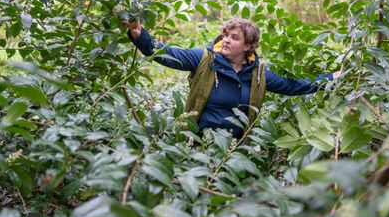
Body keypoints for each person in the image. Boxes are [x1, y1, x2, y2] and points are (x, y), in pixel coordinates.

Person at [124, 18, 341, 138]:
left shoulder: (258, 74)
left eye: (234, 38)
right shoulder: (204, 59)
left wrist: (332, 77)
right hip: (197, 143)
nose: (226, 40)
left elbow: (292, 86)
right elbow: (168, 54)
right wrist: (139, 35)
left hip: (234, 150)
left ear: (248, 46)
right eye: (226, 35)